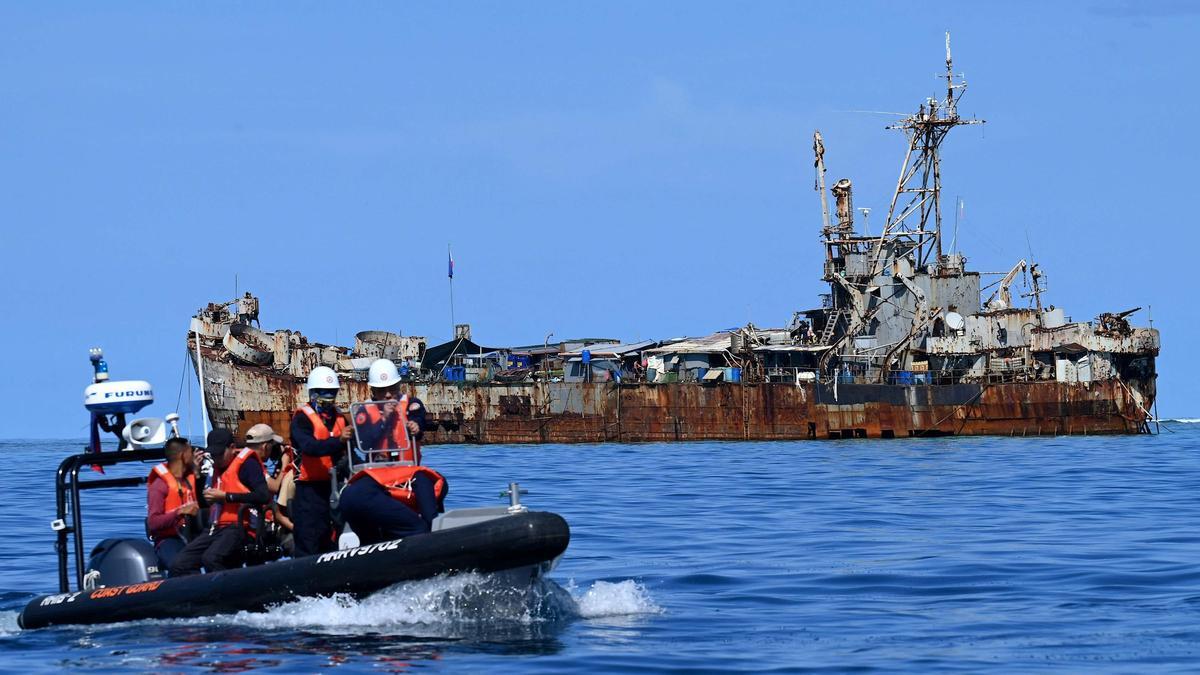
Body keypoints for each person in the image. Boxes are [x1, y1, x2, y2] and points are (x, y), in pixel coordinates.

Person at [340, 359, 447, 544]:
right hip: (378, 473)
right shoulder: (364, 412)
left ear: (399, 386)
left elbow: (419, 420)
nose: (388, 394)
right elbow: (366, 440)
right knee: (360, 495)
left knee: (429, 483)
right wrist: (384, 420)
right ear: (373, 391)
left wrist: (415, 426)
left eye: (392, 388)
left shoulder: (412, 404)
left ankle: (434, 536)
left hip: (407, 470)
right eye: (382, 390)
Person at [168, 425, 275, 576]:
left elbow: (263, 495)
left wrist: (226, 497)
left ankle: (231, 594)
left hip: (240, 528)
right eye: (213, 455)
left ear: (232, 448)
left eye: (219, 454)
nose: (216, 459)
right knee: (179, 564)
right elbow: (204, 503)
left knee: (211, 559)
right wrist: (197, 477)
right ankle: (199, 593)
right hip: (215, 528)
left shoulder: (247, 465)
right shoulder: (215, 470)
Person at [290, 366, 353, 557]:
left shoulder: (340, 418)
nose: (328, 398)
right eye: (324, 393)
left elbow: (351, 451)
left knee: (336, 534)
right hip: (310, 490)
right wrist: (338, 441)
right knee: (310, 537)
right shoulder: (302, 419)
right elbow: (309, 447)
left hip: (336, 486)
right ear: (313, 393)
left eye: (332, 393)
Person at [145, 437, 199, 571]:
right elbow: (153, 522)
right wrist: (179, 512)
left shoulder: (190, 479)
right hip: (168, 540)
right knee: (181, 566)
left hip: (191, 536)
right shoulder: (160, 485)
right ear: (182, 455)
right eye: (190, 451)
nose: (193, 454)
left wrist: (197, 474)